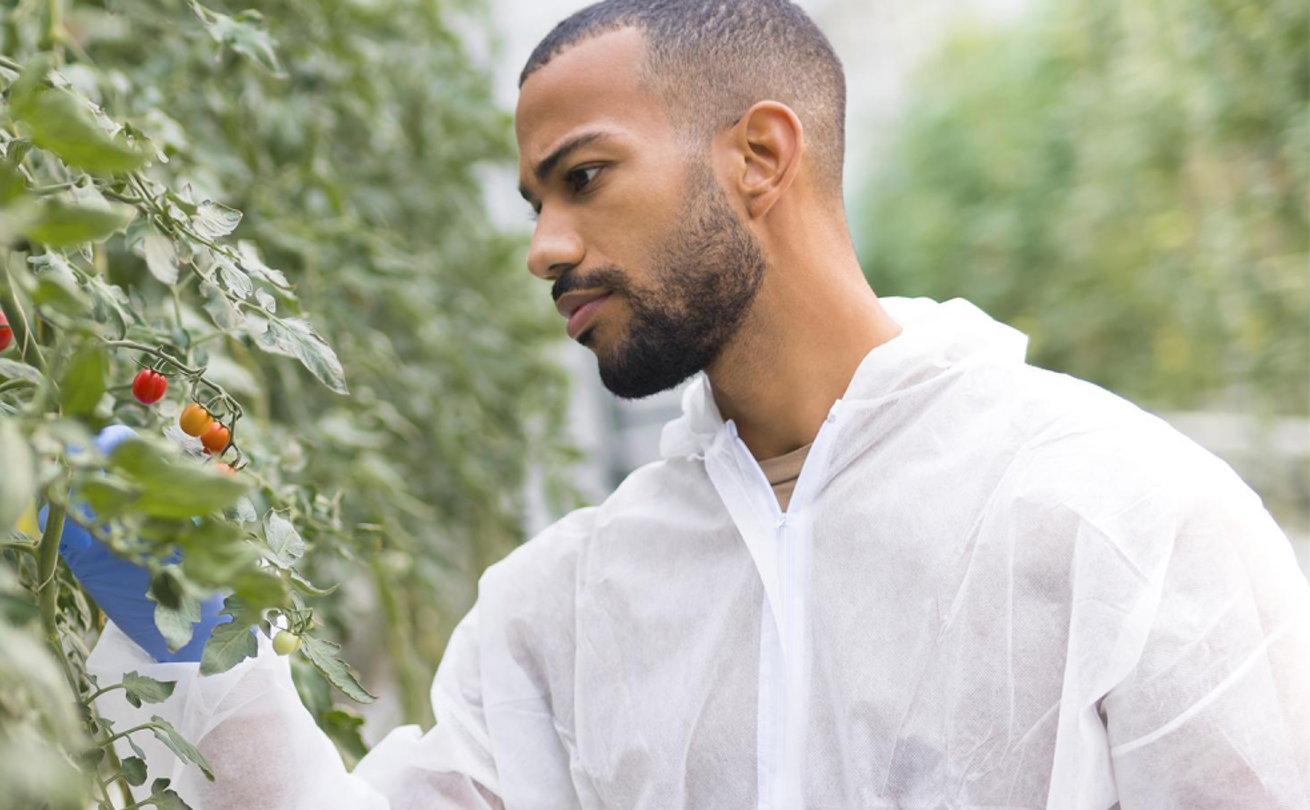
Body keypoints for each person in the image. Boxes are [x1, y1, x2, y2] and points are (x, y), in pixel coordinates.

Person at [65, 1, 1310, 807]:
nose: (546, 247)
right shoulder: (571, 605)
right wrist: (207, 666)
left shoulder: (1124, 523)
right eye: (533, 203)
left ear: (760, 156)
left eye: (585, 178)